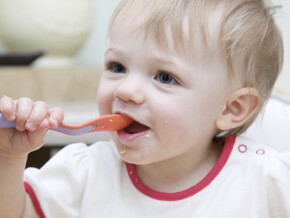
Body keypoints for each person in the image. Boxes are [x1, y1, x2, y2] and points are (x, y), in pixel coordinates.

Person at [0, 0, 288, 217]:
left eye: (165, 77)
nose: (125, 90)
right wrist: (8, 158)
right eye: (118, 67)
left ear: (232, 108)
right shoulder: (86, 172)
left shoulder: (266, 180)